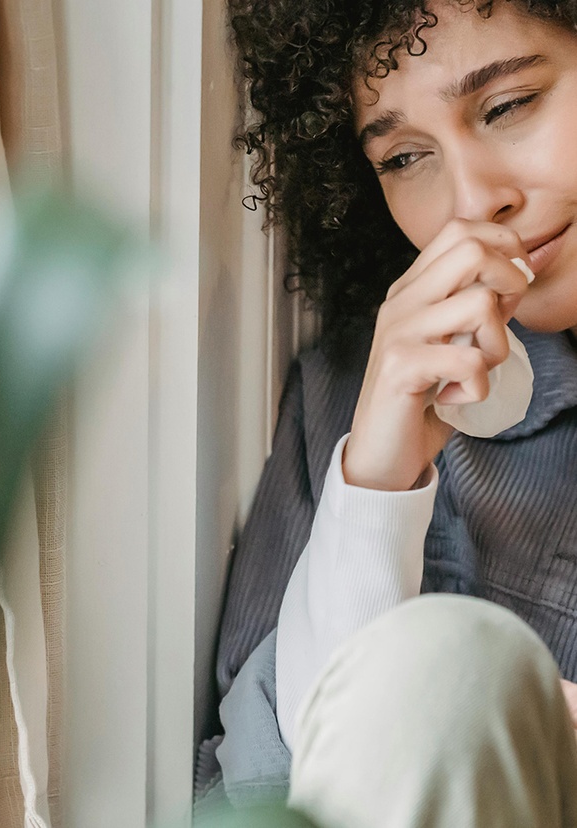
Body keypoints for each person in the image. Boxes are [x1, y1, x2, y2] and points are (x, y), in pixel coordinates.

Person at [207, 0, 577, 824]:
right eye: (407, 157)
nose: (473, 200)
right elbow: (262, 795)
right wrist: (375, 488)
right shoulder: (360, 397)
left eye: (510, 105)